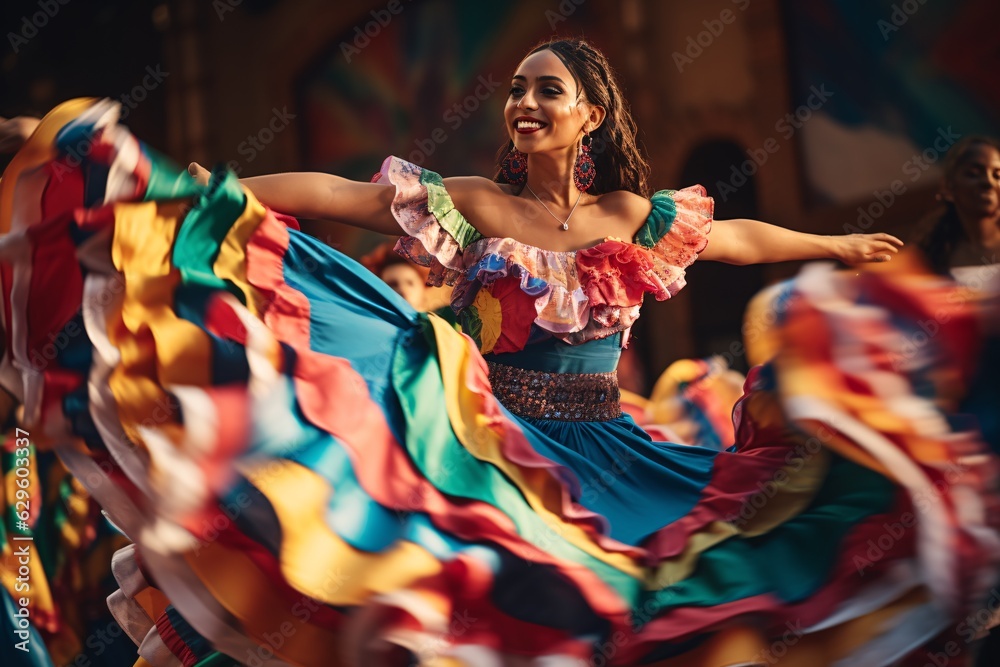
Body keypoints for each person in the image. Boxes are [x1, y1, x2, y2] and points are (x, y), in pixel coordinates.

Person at [0, 39, 995, 667]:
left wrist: (830, 244)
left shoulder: (636, 219)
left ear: (591, 114)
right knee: (460, 602)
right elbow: (338, 194)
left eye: (545, 91)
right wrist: (220, 191)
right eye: (516, 90)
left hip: (616, 450)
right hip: (490, 445)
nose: (522, 104)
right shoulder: (474, 202)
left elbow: (734, 239)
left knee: (641, 607)